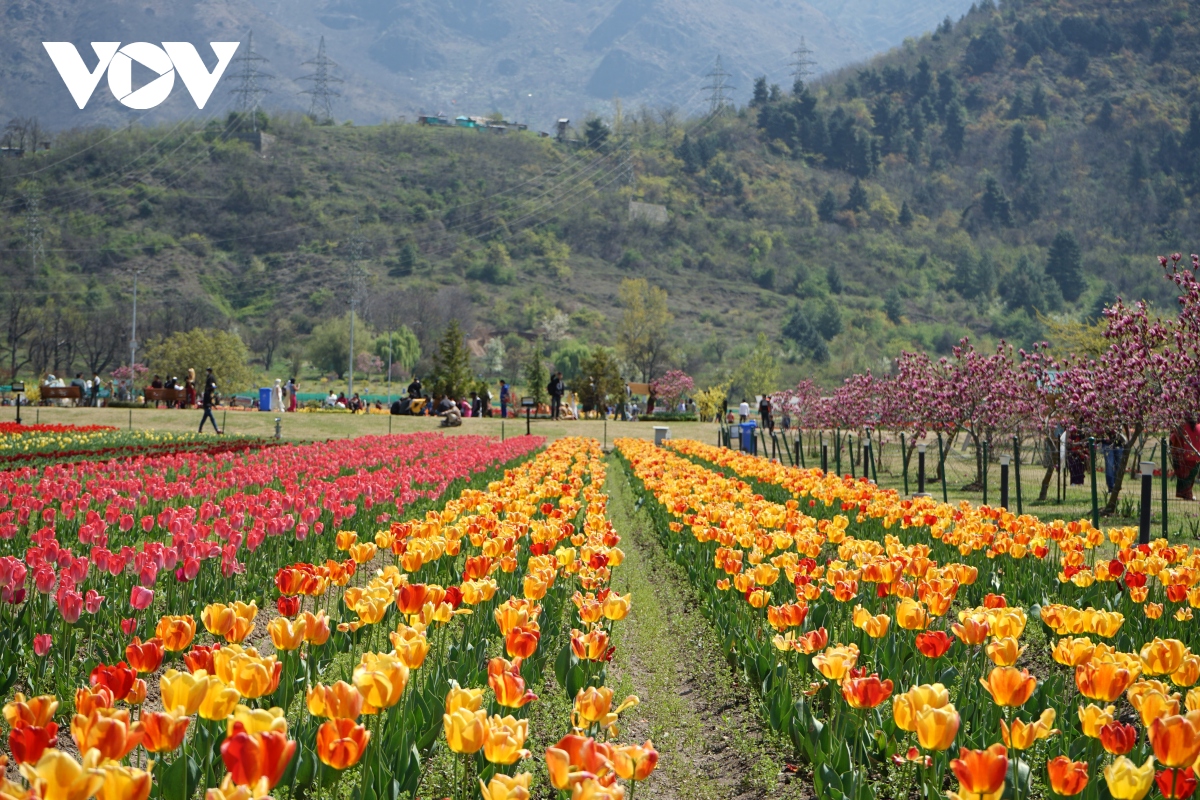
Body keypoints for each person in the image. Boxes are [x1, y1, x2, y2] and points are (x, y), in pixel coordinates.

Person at [1170, 415, 1200, 500]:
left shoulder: (1182, 427)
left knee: (1185, 477)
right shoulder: (1198, 426)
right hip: (1197, 457)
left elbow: (1173, 438)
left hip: (1184, 457)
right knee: (1190, 477)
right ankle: (1187, 494)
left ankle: (1186, 494)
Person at [199, 368, 220, 434]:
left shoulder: (208, 392)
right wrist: (212, 405)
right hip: (207, 407)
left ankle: (200, 430)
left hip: (207, 407)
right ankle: (217, 430)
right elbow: (209, 401)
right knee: (212, 419)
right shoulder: (207, 393)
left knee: (204, 419)